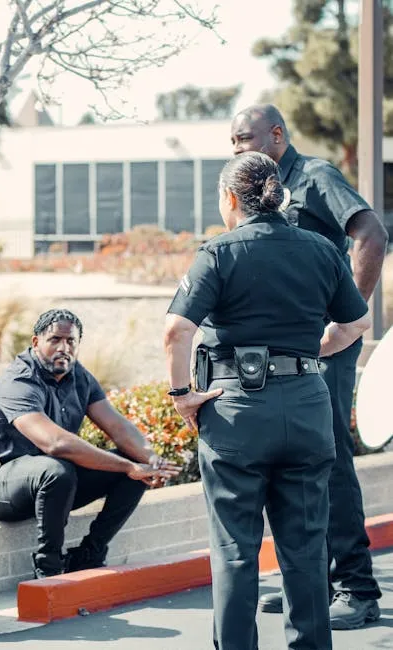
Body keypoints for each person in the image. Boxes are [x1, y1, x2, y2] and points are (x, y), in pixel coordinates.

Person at [164, 151, 371, 650]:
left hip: (237, 414)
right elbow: (357, 324)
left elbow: (176, 331)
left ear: (231, 198)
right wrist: (308, 353)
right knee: (305, 550)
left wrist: (181, 396)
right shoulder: (322, 250)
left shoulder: (218, 253)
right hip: (305, 405)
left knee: (235, 550)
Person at [230, 104, 388, 629]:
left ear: (277, 135)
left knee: (332, 458)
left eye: (246, 139)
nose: (237, 150)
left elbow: (370, 233)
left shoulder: (315, 176)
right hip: (290, 352)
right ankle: (314, 582)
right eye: (232, 142)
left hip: (326, 348)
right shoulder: (265, 190)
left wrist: (349, 322)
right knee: (302, 462)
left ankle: (359, 590)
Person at [0, 308, 180, 579]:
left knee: (135, 471)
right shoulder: (20, 380)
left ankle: (88, 554)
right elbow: (56, 443)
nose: (64, 348)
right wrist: (126, 464)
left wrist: (152, 461)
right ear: (36, 343)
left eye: (70, 341)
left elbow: (117, 426)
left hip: (55, 485)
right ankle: (49, 568)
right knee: (57, 469)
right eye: (55, 340)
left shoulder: (78, 376)